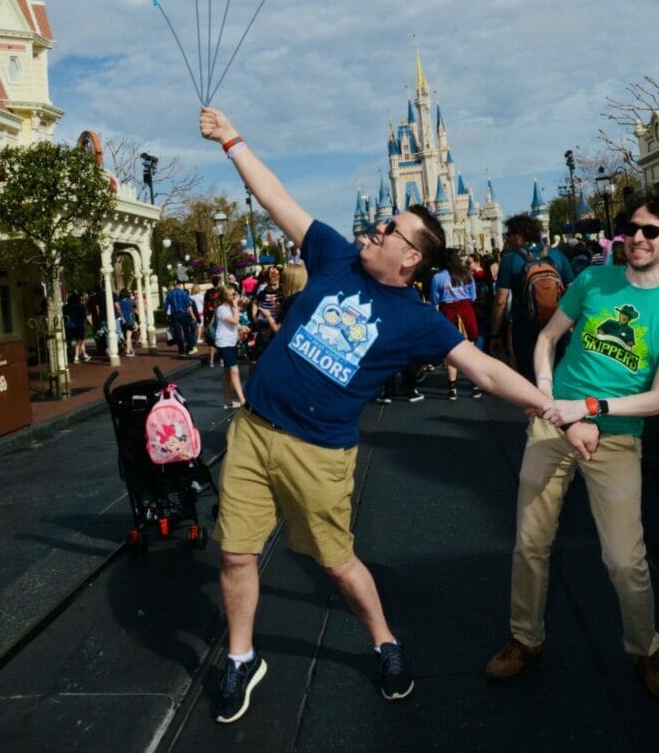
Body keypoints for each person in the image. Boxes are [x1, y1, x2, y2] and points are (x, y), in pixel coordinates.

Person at [199, 105, 596, 726]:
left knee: (337, 563)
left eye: (391, 228)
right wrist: (233, 141)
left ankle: (385, 641)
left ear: (411, 258)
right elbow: (276, 198)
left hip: (318, 452)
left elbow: (486, 370)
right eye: (384, 221)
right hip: (254, 431)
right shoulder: (334, 255)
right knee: (235, 554)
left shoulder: (414, 319)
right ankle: (242, 656)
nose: (378, 227)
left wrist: (558, 412)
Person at [485, 190, 659, 703]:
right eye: (631, 228)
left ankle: (645, 648)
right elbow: (546, 340)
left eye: (651, 231)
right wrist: (546, 395)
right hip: (553, 424)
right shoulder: (593, 280)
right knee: (530, 542)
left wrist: (589, 408)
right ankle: (525, 638)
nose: (637, 238)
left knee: (625, 560)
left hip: (617, 437)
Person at [490, 214, 574, 380]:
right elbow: (573, 291)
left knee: (530, 377)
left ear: (519, 235)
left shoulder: (510, 259)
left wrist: (495, 334)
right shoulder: (556, 255)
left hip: (525, 329)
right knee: (559, 375)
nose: (507, 239)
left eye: (509, 234)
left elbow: (500, 301)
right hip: (558, 326)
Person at [430, 248, 479, 400]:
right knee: (470, 348)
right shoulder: (467, 275)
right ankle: (474, 385)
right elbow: (473, 296)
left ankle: (452, 388)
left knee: (451, 349)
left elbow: (434, 299)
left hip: (448, 310)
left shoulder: (438, 277)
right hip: (466, 309)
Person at [214, 285, 246, 408]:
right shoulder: (221, 309)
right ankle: (242, 399)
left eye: (235, 293)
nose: (234, 296)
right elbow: (234, 321)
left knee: (227, 372)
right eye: (232, 294)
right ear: (225, 296)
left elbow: (236, 324)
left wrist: (242, 327)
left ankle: (227, 400)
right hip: (224, 343)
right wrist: (236, 306)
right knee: (234, 370)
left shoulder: (231, 307)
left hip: (231, 342)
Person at [164, 280, 198, 357]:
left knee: (178, 333)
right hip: (184, 314)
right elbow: (189, 305)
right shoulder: (183, 293)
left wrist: (167, 315)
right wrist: (193, 316)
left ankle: (181, 351)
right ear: (180, 285)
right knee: (187, 331)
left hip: (174, 315)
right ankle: (189, 348)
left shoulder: (169, 294)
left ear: (174, 285)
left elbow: (166, 306)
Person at [203, 275, 223, 368]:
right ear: (219, 282)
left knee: (211, 340)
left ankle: (211, 361)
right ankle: (222, 359)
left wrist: (205, 319)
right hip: (220, 317)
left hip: (210, 317)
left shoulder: (208, 292)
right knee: (221, 339)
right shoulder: (222, 291)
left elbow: (205, 306)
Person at [118, 287, 138, 357]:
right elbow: (135, 307)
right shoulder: (130, 301)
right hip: (130, 320)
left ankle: (131, 349)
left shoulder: (119, 302)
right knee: (129, 336)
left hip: (122, 320)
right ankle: (128, 351)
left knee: (127, 336)